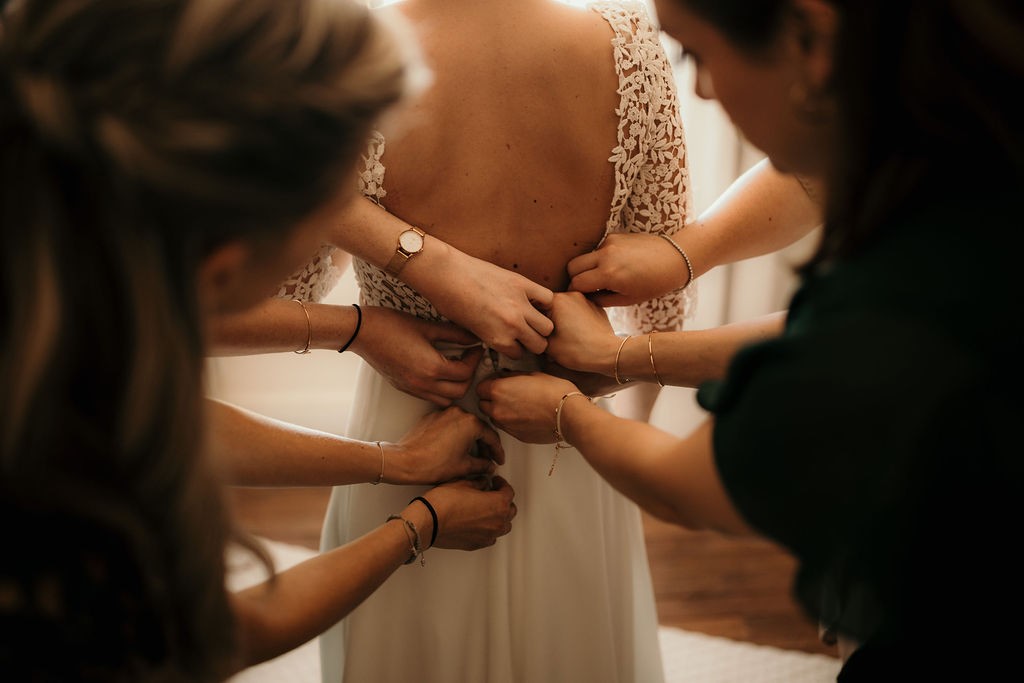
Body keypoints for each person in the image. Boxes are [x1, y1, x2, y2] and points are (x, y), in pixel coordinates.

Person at [477, 0, 1024, 680]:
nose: (700, 89)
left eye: (695, 55)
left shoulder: (912, 287)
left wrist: (568, 412)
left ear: (809, 38)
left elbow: (690, 485)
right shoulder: (970, 108)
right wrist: (683, 258)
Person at [0, 0, 515, 680]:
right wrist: (417, 524)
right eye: (330, 220)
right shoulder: (70, 523)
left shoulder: (56, 295)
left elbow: (159, 421)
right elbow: (226, 632)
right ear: (220, 271)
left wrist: (396, 461)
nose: (343, 242)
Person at [259, 1, 695, 680]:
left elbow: (288, 287)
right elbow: (661, 305)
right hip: (566, 430)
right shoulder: (628, 46)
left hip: (412, 430)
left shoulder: (346, 56)